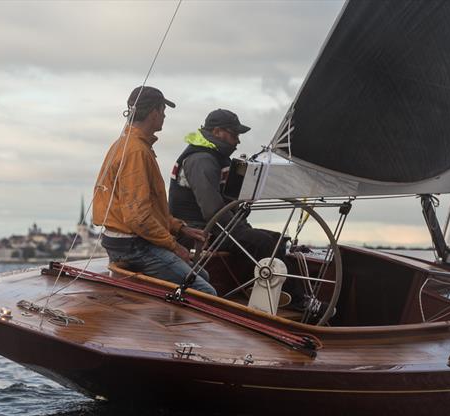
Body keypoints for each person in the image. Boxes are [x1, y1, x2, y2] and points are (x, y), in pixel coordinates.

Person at [168, 109, 307, 306]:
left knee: (276, 239)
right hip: (196, 233)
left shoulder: (213, 157)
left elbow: (223, 204)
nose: (237, 141)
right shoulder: (202, 160)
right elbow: (213, 211)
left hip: (212, 227)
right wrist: (243, 229)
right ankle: (297, 302)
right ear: (217, 132)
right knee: (262, 242)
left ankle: (265, 291)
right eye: (234, 135)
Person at [92, 86, 216, 296]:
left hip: (122, 241)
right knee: (206, 293)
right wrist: (175, 247)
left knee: (203, 277)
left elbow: (145, 209)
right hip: (133, 246)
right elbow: (138, 218)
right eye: (163, 110)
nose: (165, 116)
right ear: (154, 113)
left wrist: (179, 228)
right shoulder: (136, 151)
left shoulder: (125, 145)